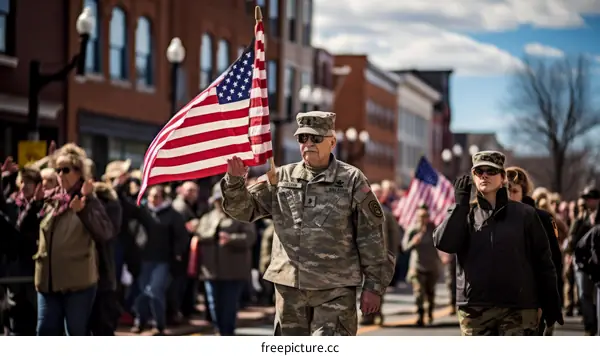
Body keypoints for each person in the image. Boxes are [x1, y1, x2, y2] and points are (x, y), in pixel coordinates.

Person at [220, 111, 395, 336]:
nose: (308, 143)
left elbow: (372, 236)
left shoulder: (352, 179)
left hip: (334, 289)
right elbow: (244, 211)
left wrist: (374, 286)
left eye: (316, 138)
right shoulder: (281, 177)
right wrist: (234, 183)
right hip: (290, 288)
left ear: (332, 142)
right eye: (303, 138)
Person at [433, 150, 563, 336]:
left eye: (491, 171)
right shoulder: (464, 213)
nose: (484, 175)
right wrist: (459, 207)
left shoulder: (525, 214)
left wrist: (551, 302)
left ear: (503, 178)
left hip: (518, 308)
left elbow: (543, 261)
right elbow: (445, 243)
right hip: (475, 309)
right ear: (473, 177)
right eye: (479, 172)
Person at [29, 143, 116, 335]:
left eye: (65, 169)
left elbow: (105, 233)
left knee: (75, 334)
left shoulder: (89, 198)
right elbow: (26, 230)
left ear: (79, 172)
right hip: (47, 282)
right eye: (58, 170)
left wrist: (83, 211)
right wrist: (33, 206)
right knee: (44, 331)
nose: (60, 174)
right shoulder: (50, 199)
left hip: (78, 283)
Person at [505, 166, 563, 336]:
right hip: (498, 302)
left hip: (531, 302)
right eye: (505, 190)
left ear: (523, 193)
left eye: (514, 191)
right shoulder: (492, 218)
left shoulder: (543, 219)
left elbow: (553, 263)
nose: (509, 196)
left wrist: (549, 305)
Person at [195, 183, 256, 335]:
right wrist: (212, 233)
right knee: (213, 304)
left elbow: (250, 237)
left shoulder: (241, 216)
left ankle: (227, 333)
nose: (221, 203)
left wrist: (231, 239)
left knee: (229, 305)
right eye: (218, 199)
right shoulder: (207, 217)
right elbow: (200, 233)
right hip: (211, 270)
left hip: (233, 271)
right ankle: (218, 329)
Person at [402, 204, 441, 326]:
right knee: (419, 293)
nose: (422, 219)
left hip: (432, 266)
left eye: (424, 216)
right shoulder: (412, 229)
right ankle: (420, 315)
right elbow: (404, 248)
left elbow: (441, 244)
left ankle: (429, 312)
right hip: (417, 267)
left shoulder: (433, 228)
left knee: (430, 293)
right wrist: (413, 242)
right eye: (420, 216)